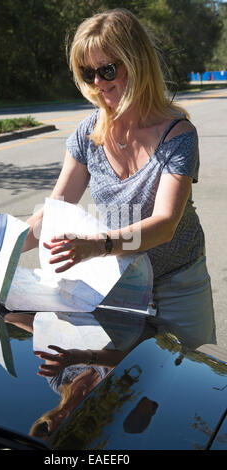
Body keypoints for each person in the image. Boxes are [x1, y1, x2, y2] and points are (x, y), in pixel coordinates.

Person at [23, 8, 216, 347]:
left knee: (188, 392)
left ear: (137, 62)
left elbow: (165, 223)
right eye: (87, 73)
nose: (97, 82)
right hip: (117, 287)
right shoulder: (87, 134)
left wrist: (97, 246)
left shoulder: (178, 134)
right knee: (121, 391)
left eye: (107, 69)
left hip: (178, 287)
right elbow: (54, 210)